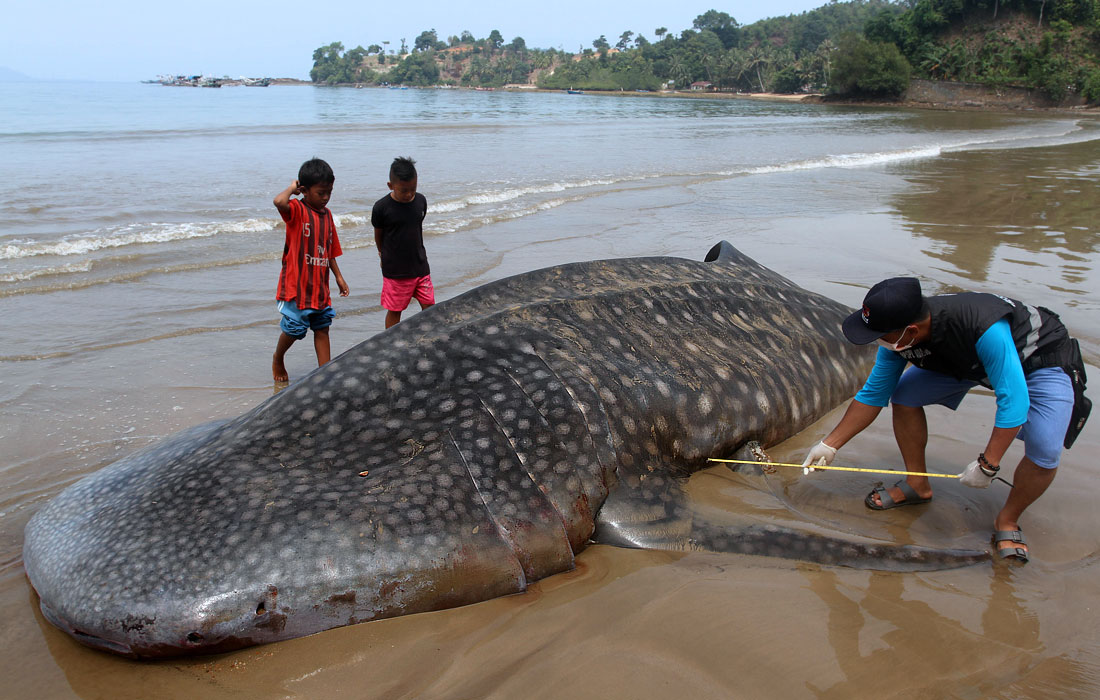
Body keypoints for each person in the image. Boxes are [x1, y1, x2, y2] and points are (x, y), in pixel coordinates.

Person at [801, 277, 1087, 562]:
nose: (877, 341)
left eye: (880, 335)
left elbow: (1014, 404)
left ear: (911, 330)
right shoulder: (900, 340)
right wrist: (830, 444)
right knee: (905, 395)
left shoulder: (983, 328)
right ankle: (918, 484)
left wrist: (988, 464)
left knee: (1046, 448)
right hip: (965, 362)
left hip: (1037, 361)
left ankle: (1008, 520)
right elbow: (874, 393)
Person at [272, 158, 350, 382]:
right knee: (294, 328)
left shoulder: (328, 216)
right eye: (321, 193)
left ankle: (324, 372)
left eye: (329, 192)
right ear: (304, 191)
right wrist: (292, 188)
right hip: (297, 287)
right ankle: (278, 357)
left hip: (319, 286)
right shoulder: (296, 209)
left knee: (322, 327)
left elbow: (330, 249)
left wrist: (339, 277)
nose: (325, 197)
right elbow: (279, 201)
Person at [371, 156, 434, 329]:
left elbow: (416, 228)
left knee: (429, 305)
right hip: (396, 270)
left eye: (413, 189)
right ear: (391, 186)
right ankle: (389, 341)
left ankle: (431, 335)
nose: (409, 194)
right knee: (395, 309)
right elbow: (379, 234)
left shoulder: (421, 201)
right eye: (403, 190)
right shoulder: (381, 208)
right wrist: (382, 253)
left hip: (420, 265)